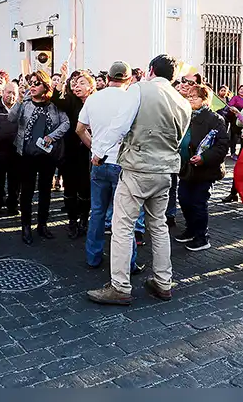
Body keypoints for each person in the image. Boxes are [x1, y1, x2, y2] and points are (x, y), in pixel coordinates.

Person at [86, 55, 191, 305]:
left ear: (150, 70)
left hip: (137, 168)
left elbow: (119, 126)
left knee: (122, 226)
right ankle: (163, 282)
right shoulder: (183, 101)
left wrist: (98, 152)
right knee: (159, 226)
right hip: (165, 171)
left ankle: (120, 286)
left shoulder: (139, 90)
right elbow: (180, 139)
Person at [78, 61, 145, 271]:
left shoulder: (94, 98)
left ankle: (93, 257)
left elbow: (80, 129)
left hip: (99, 162)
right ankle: (128, 262)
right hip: (122, 164)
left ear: (108, 79)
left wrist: (94, 148)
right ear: (129, 79)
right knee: (124, 217)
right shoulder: (132, 99)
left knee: (97, 212)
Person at [8, 70, 69, 245]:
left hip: (47, 155)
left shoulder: (53, 104)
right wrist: (19, 99)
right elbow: (12, 118)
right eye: (31, 83)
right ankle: (25, 226)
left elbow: (66, 123)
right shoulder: (25, 102)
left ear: (45, 86)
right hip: (26, 154)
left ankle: (42, 225)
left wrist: (52, 136)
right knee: (26, 191)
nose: (32, 86)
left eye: (37, 83)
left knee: (45, 191)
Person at [174, 84, 229, 252]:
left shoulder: (215, 119)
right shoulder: (186, 116)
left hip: (205, 170)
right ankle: (191, 229)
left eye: (194, 97)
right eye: (188, 97)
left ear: (205, 100)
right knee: (184, 199)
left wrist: (203, 158)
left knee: (198, 202)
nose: (190, 100)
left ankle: (202, 237)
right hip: (186, 168)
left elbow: (222, 145)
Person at [56, 71, 95, 238]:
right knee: (70, 187)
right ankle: (72, 220)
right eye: (75, 83)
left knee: (85, 189)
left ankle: (84, 220)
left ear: (91, 86)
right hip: (71, 150)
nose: (77, 86)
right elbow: (56, 99)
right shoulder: (71, 101)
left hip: (91, 152)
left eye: (81, 83)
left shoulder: (97, 102)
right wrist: (62, 79)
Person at [0, 81, 20, 217]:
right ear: (2, 92)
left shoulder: (20, 109)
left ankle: (13, 206)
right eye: (9, 92)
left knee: (15, 181)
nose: (11, 96)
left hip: (16, 152)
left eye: (14, 93)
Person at [227, 84, 243, 159]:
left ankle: (242, 153)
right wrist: (235, 110)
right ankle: (233, 152)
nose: (242, 91)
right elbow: (230, 105)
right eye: (241, 89)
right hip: (235, 119)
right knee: (234, 136)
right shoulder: (235, 98)